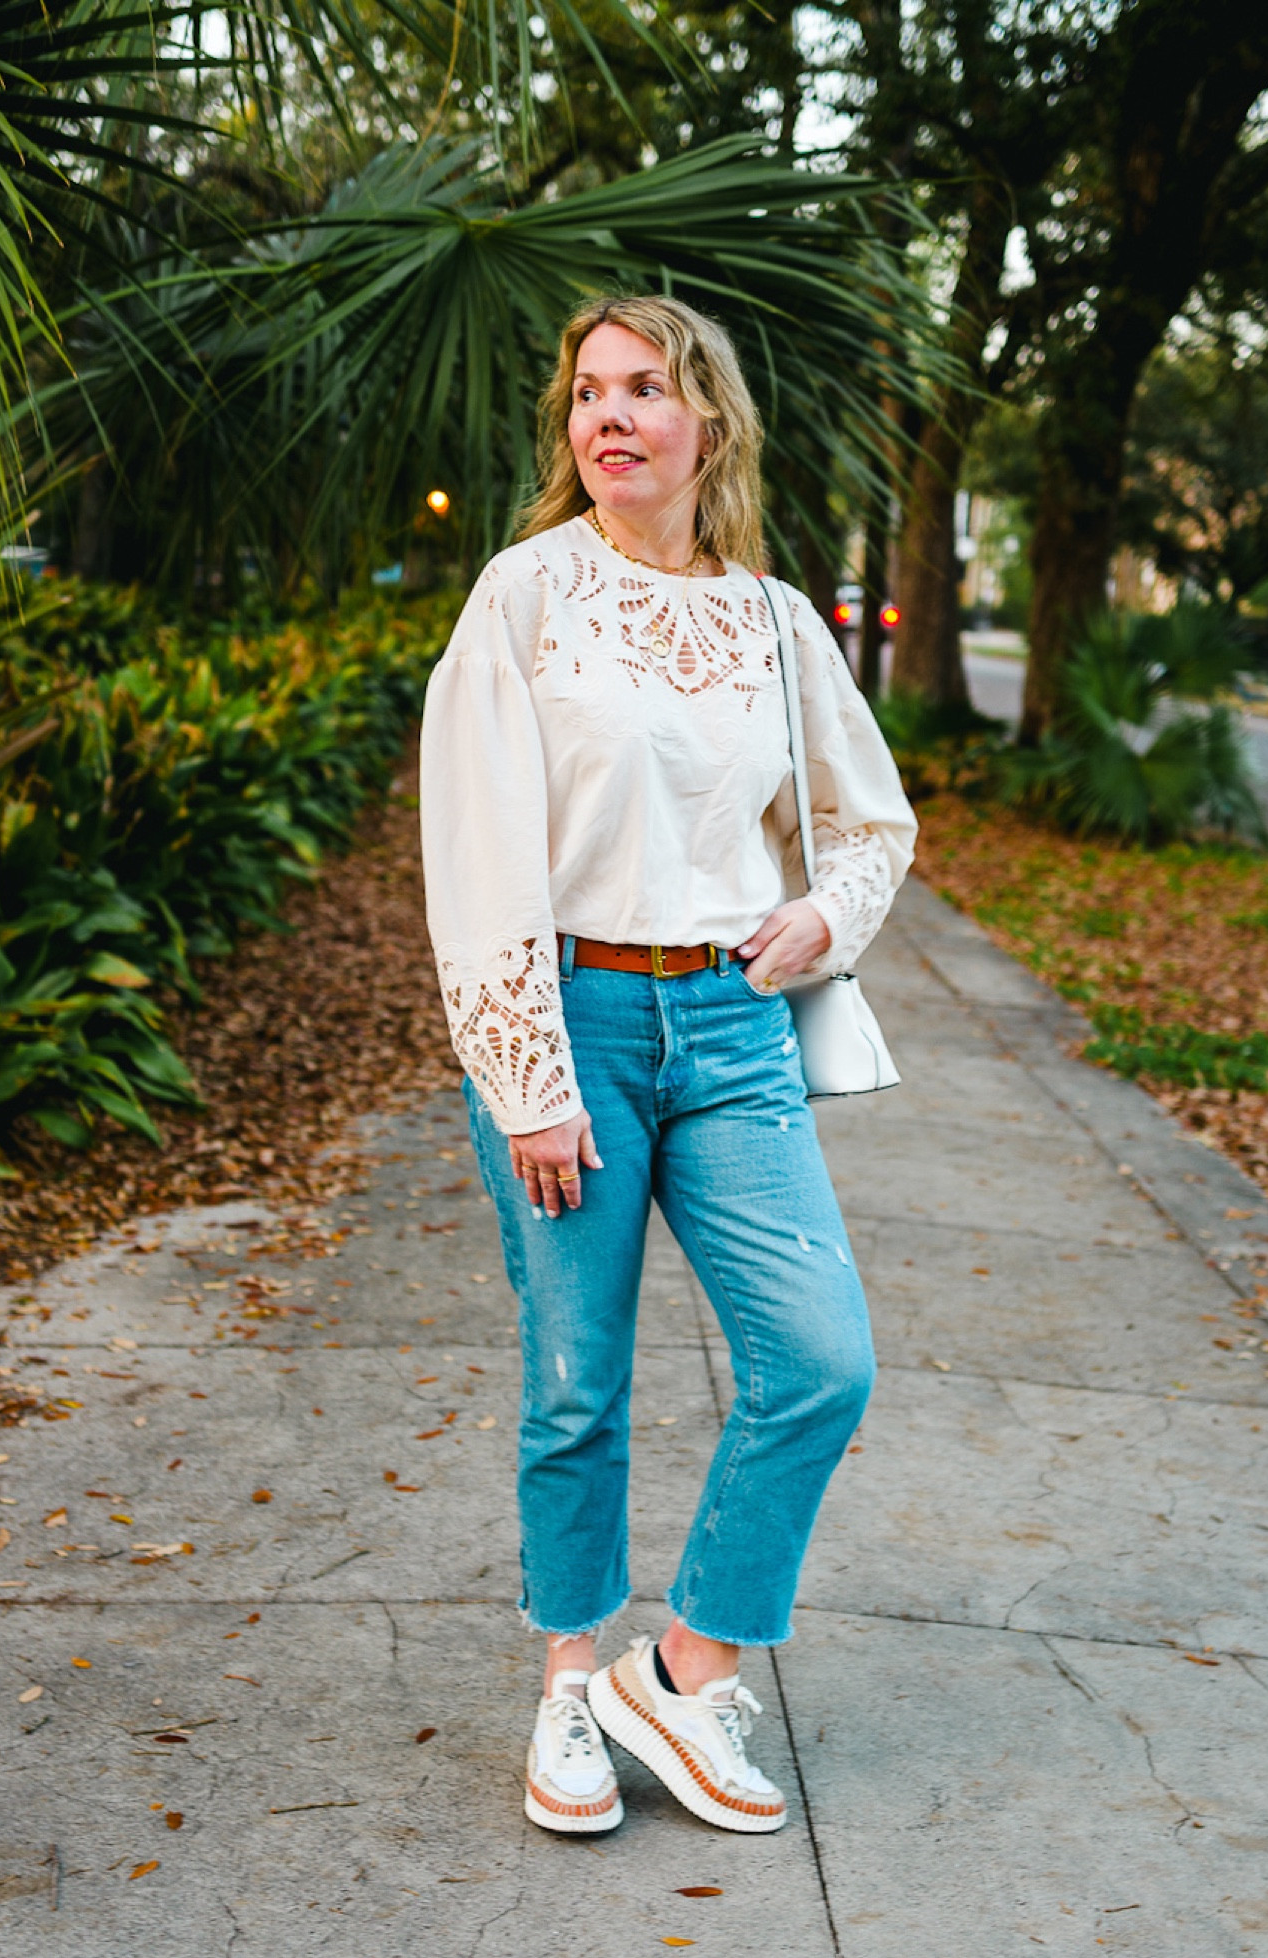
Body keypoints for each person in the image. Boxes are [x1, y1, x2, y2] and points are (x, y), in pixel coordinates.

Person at [420, 295, 915, 1836]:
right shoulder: (525, 594)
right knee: (576, 1382)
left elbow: (869, 820)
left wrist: (819, 919)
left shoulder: (772, 620)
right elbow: (474, 846)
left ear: (709, 421)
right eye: (587, 392)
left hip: (730, 1028)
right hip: (568, 1018)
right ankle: (571, 1681)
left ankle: (683, 1670)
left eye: (643, 388)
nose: (609, 417)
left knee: (820, 1360)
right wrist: (526, 1079)